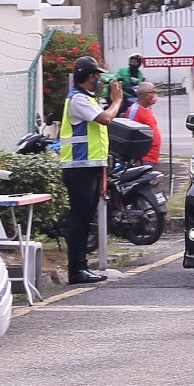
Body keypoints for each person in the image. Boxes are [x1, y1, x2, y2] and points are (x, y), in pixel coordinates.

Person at [60, 56, 124, 284]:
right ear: (90, 77)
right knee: (79, 220)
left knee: (85, 219)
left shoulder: (86, 99)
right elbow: (106, 119)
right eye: (97, 76)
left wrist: (103, 171)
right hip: (79, 168)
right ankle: (76, 270)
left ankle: (81, 267)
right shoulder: (78, 100)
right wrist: (117, 101)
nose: (99, 80)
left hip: (91, 167)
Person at [125, 81, 162, 169]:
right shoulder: (134, 111)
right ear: (146, 95)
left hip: (152, 158)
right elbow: (130, 136)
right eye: (153, 92)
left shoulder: (147, 108)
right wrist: (136, 159)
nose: (155, 95)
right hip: (144, 159)